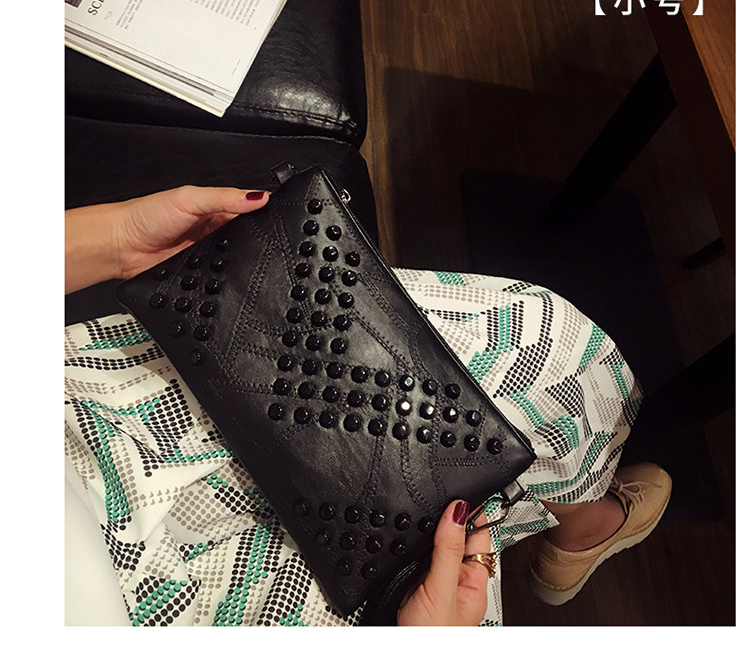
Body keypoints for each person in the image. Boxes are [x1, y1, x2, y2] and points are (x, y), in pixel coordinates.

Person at [65, 185, 671, 626]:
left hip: (82, 417)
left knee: (546, 341)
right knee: (486, 456)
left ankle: (576, 530)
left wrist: (116, 239)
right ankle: (581, 531)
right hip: (185, 602)